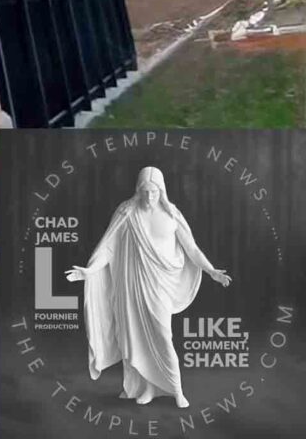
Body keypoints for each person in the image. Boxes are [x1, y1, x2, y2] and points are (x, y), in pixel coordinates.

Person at [66, 166, 231, 409]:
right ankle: (147, 388)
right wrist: (89, 271)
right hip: (133, 286)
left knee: (163, 336)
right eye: (145, 191)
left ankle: (177, 390)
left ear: (161, 191)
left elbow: (192, 248)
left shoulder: (172, 215)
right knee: (137, 337)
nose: (149, 197)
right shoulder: (126, 213)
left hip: (161, 285)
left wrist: (211, 270)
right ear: (138, 190)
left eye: (154, 192)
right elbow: (108, 248)